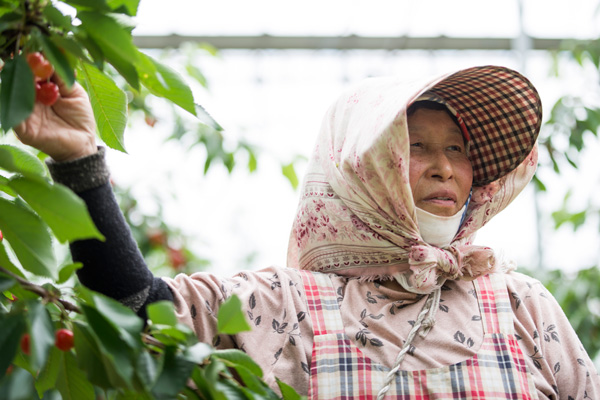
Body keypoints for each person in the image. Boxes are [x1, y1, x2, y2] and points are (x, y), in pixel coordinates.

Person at [15, 65, 600, 398]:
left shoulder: (520, 304)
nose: (444, 167)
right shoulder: (283, 305)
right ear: (362, 170)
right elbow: (137, 312)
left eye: (458, 150)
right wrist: (80, 163)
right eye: (414, 146)